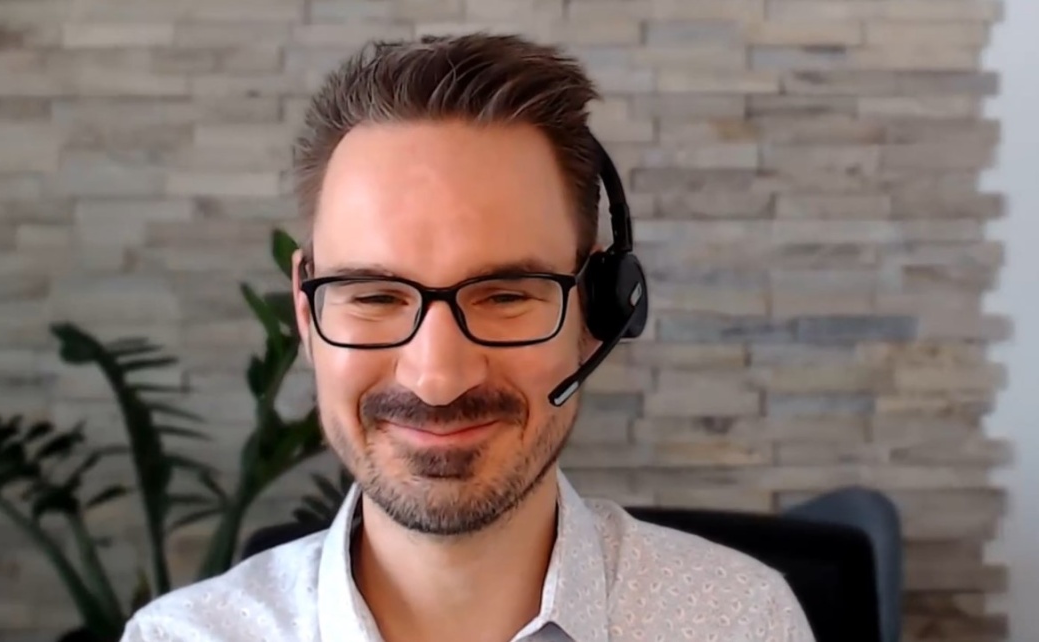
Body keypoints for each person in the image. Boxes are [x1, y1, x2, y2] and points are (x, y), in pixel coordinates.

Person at [120, 33, 815, 642]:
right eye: (375, 297)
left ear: (599, 311)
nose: (437, 378)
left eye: (506, 295)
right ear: (307, 312)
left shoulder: (736, 620)